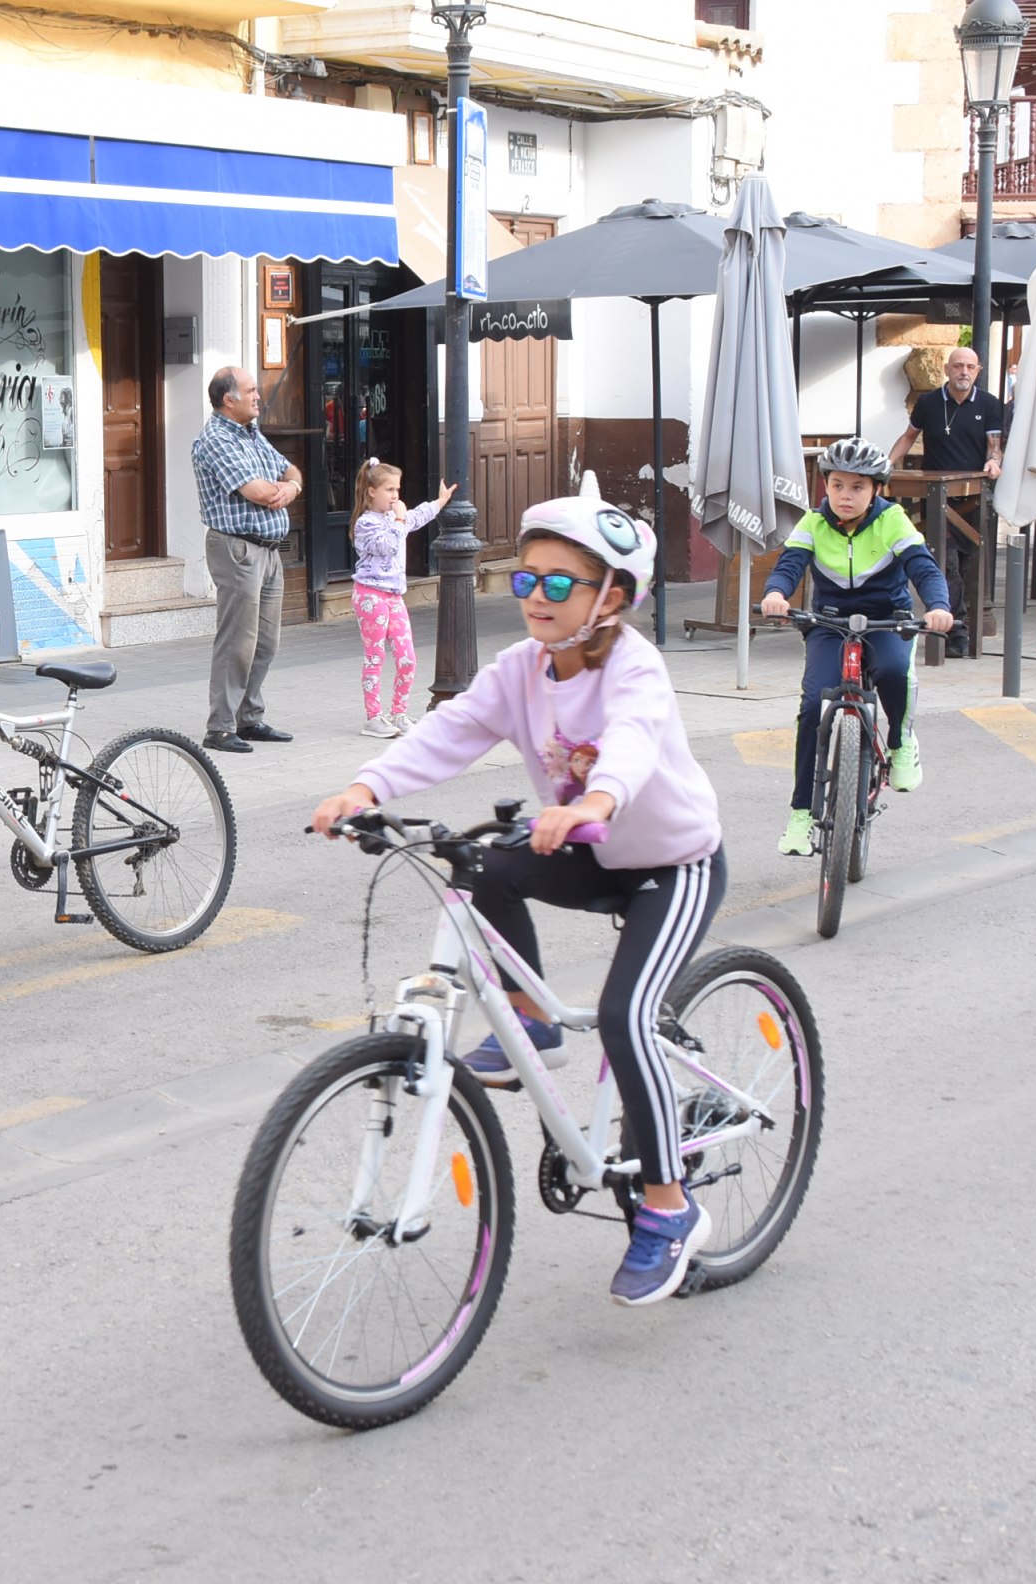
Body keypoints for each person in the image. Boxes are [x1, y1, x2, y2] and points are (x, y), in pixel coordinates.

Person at [310, 490, 728, 1307]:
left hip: (670, 865)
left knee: (623, 1014)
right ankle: (531, 1020)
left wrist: (594, 803)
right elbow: (450, 731)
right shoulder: (520, 671)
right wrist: (363, 786)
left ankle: (668, 1209)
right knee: (484, 864)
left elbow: (634, 740)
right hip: (583, 849)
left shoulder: (635, 666)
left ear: (611, 596)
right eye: (526, 579)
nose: (536, 596)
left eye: (559, 584)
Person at [759, 437, 955, 857]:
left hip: (886, 618)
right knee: (813, 705)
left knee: (890, 671)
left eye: (858, 487)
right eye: (837, 486)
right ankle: (800, 815)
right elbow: (789, 565)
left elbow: (922, 567)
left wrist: (938, 605)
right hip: (829, 621)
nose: (846, 496)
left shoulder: (894, 520)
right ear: (825, 486)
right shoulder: (812, 523)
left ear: (877, 490)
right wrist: (776, 593)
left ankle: (901, 741)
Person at [191, 365, 302, 754]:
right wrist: (283, 489)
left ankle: (248, 717)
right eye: (251, 390)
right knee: (238, 641)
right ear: (229, 399)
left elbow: (291, 471)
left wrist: (288, 486)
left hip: (268, 550)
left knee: (266, 642)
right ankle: (220, 727)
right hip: (237, 548)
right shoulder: (216, 440)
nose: (259, 396)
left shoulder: (250, 434)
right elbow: (257, 491)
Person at [888, 346, 1004, 656]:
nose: (963, 372)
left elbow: (994, 445)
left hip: (972, 497)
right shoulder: (928, 402)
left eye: (970, 367)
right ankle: (953, 633)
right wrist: (886, 464)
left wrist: (993, 462)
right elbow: (909, 436)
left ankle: (958, 628)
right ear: (946, 369)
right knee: (946, 563)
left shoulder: (989, 404)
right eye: (958, 366)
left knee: (966, 566)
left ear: (977, 371)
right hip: (937, 497)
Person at [347, 458, 453, 738]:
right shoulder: (366, 523)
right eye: (389, 489)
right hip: (370, 594)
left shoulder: (393, 519)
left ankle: (399, 712)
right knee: (375, 656)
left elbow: (416, 517)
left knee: (407, 657)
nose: (396, 495)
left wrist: (439, 503)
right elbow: (389, 546)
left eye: (398, 489)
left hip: (394, 596)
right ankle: (373, 717)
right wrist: (400, 518)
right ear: (372, 491)